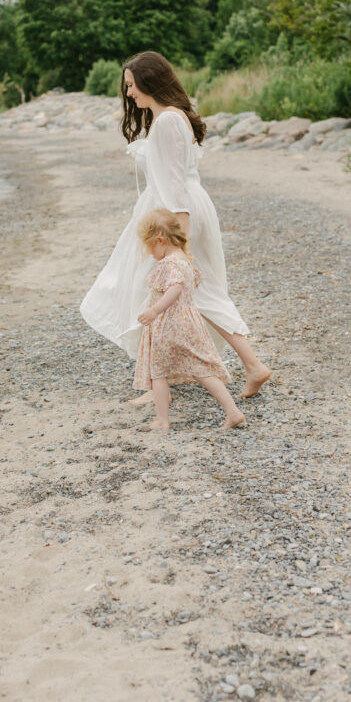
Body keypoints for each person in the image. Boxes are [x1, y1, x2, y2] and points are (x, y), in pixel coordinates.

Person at [79, 50, 270, 398]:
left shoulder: (167, 120)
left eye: (132, 85)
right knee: (178, 290)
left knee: (185, 289)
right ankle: (171, 374)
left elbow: (174, 186)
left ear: (149, 82)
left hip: (173, 215)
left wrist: (180, 243)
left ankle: (235, 368)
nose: (130, 94)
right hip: (177, 209)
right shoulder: (173, 117)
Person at [133, 209, 245, 431]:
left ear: (161, 240)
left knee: (158, 372)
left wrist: (155, 310)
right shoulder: (183, 260)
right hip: (189, 322)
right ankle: (233, 412)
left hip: (168, 324)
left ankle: (162, 420)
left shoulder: (168, 264)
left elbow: (176, 288)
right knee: (202, 370)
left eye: (150, 247)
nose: (151, 253)